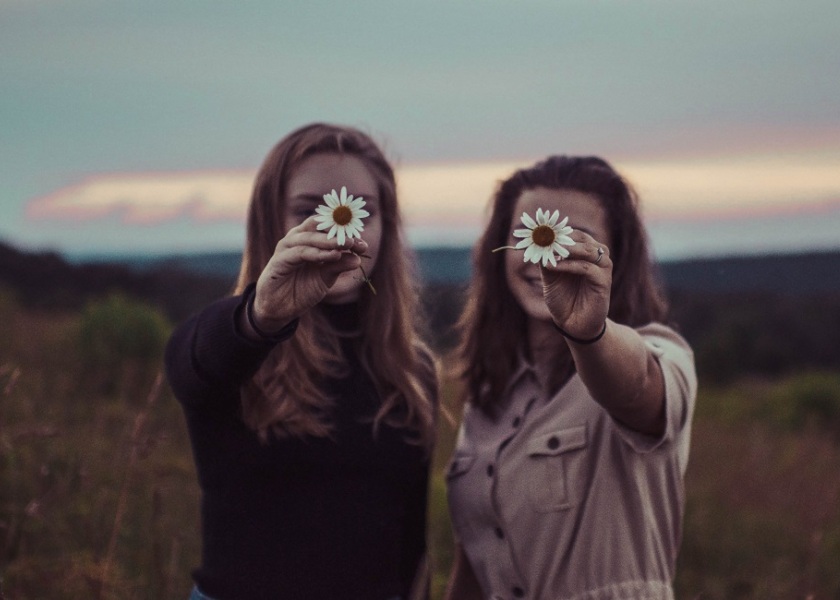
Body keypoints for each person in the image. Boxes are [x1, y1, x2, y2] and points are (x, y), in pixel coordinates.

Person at [164, 123, 437, 600]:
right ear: (270, 219)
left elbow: (412, 542)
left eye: (361, 210)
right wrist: (261, 316)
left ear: (385, 227)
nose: (335, 224)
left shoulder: (412, 370)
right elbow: (191, 363)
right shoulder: (237, 343)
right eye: (309, 209)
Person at [444, 156, 698, 599]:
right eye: (531, 234)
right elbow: (477, 561)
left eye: (576, 239)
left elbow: (638, 389)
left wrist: (589, 333)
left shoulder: (660, 353)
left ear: (617, 256)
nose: (547, 254)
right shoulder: (489, 397)